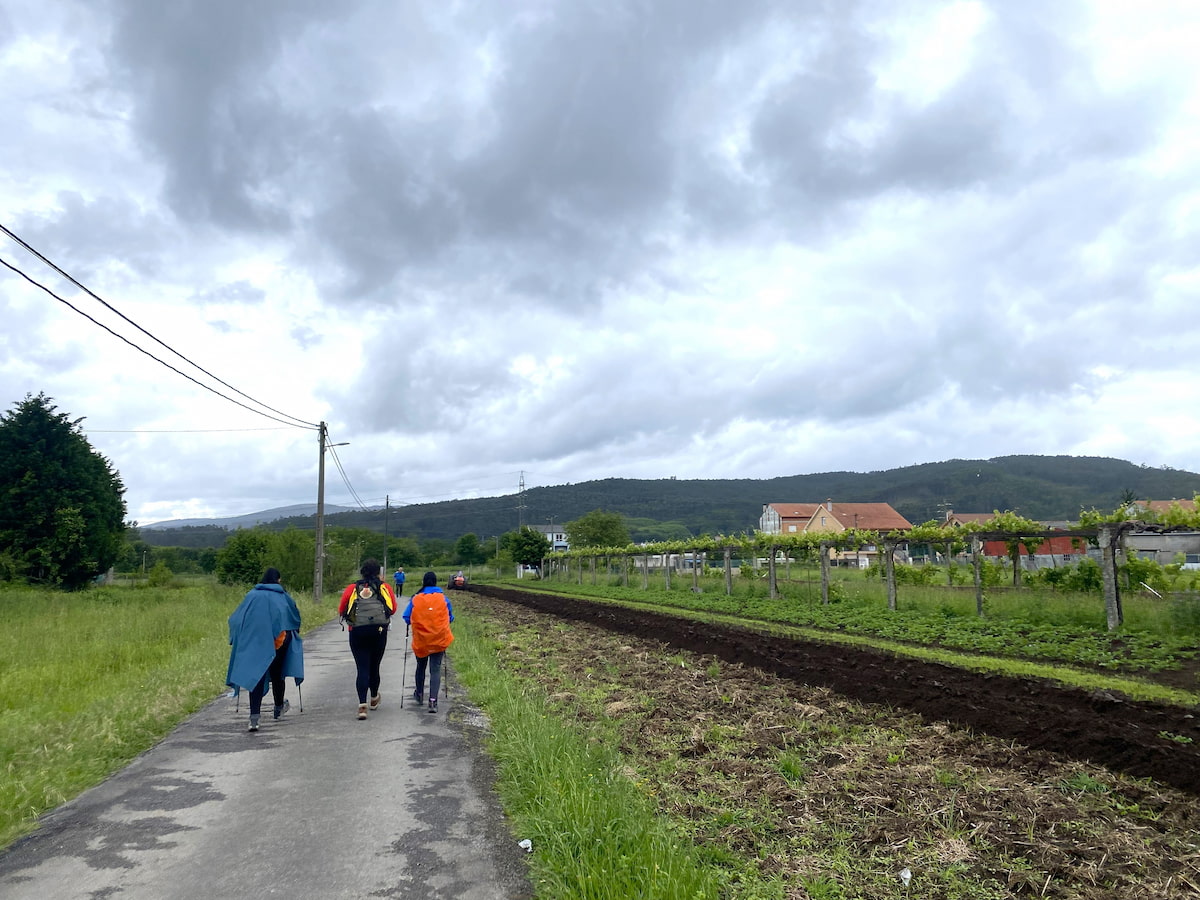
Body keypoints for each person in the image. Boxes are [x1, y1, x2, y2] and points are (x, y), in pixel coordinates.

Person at [226, 568, 304, 732]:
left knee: (257, 676)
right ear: (278, 580)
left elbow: (236, 619)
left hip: (255, 641)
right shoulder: (282, 595)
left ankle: (254, 719)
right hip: (279, 640)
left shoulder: (251, 596)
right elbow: (294, 617)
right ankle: (278, 708)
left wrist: (238, 638)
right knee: (277, 674)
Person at [339, 558, 398, 720]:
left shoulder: (353, 588)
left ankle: (362, 706)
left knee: (362, 668)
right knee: (375, 666)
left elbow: (342, 608)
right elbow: (392, 609)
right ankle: (373, 698)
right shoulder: (384, 587)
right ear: (378, 572)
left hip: (357, 632)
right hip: (379, 632)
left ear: (362, 572)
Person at [403, 571, 455, 713]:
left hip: (421, 640)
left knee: (421, 667)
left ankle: (419, 694)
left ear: (424, 582)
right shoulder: (443, 599)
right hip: (438, 640)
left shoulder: (416, 598)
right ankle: (433, 701)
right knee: (435, 669)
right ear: (436, 582)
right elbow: (450, 617)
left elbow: (406, 617)